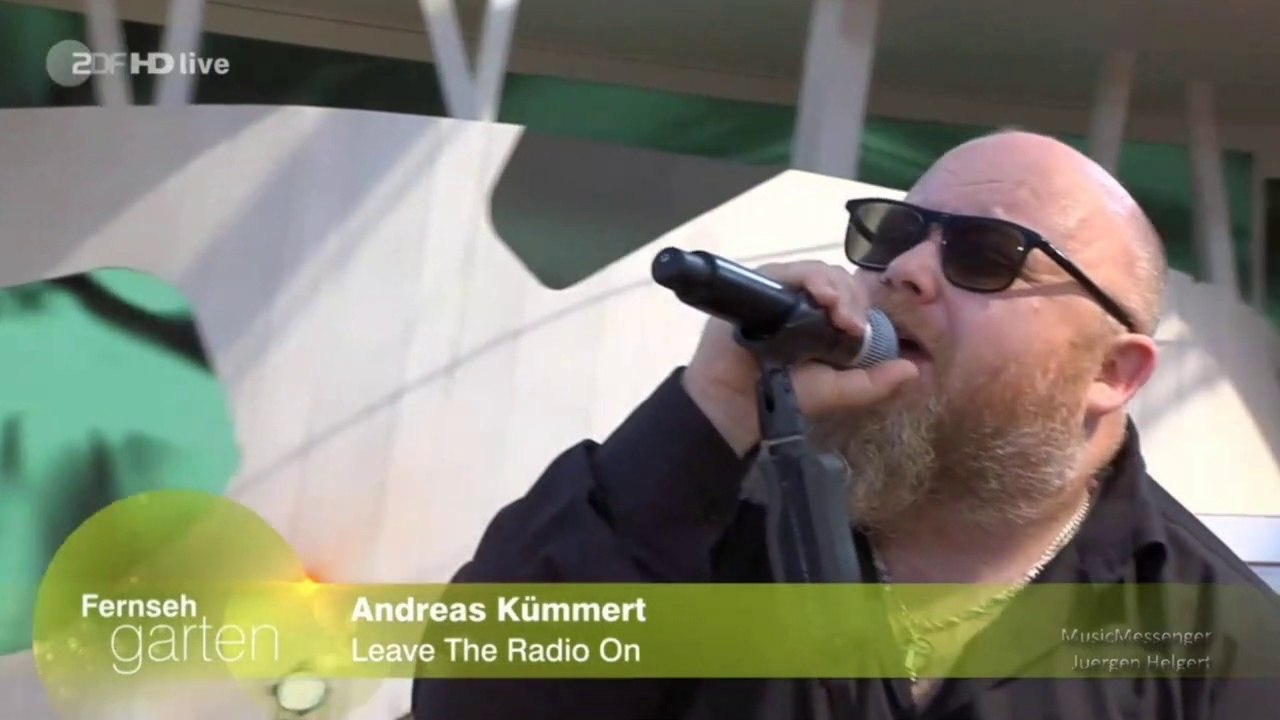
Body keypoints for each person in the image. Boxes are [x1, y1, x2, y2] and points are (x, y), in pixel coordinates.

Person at [411, 131, 1280, 719]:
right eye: (896, 233)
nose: (904, 269)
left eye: (983, 254)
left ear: (1110, 372)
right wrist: (715, 397)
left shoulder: (1227, 645)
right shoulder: (713, 508)